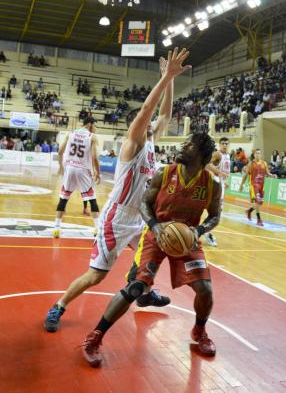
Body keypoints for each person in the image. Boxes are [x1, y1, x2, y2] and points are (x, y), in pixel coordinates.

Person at [44, 48, 190, 333]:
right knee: (95, 276)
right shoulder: (132, 143)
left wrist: (169, 78)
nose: (151, 123)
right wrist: (164, 79)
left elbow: (165, 113)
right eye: (144, 121)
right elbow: (149, 110)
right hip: (117, 218)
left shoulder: (151, 141)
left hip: (141, 218)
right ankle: (58, 306)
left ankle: (144, 294)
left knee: (157, 251)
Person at [81, 131, 221, 367]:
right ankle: (94, 338)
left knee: (205, 289)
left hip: (187, 238)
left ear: (202, 154)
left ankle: (199, 331)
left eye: (189, 145)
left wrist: (198, 231)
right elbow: (145, 204)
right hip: (156, 235)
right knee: (136, 287)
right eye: (183, 141)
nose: (182, 145)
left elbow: (215, 216)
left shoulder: (212, 184)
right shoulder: (164, 173)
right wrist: (156, 227)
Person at [52, 116, 100, 239]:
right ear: (90, 124)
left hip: (70, 168)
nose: (95, 128)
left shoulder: (71, 133)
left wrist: (60, 166)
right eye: (95, 125)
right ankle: (97, 229)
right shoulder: (92, 137)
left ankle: (57, 228)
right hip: (83, 170)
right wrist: (98, 173)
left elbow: (60, 152)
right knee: (92, 199)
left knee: (63, 198)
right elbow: (94, 157)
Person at [204, 137, 230, 247]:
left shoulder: (227, 155)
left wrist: (225, 181)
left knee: (217, 213)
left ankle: (205, 231)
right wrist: (219, 173)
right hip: (215, 185)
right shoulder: (217, 154)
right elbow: (206, 165)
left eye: (226, 143)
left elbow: (225, 171)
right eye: (223, 143)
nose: (224, 145)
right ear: (219, 144)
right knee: (216, 214)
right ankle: (206, 233)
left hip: (221, 184)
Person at [239, 149, 276, 226]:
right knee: (257, 201)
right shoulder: (250, 164)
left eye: (259, 153)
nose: (258, 155)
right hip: (253, 185)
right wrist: (241, 185)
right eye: (256, 153)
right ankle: (259, 219)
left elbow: (267, 173)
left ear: (260, 154)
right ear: (254, 154)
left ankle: (249, 211)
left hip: (261, 185)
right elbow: (245, 175)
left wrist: (272, 175)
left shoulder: (264, 163)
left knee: (259, 203)